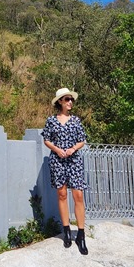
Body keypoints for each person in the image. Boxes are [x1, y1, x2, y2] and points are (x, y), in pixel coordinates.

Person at [42, 87, 89, 255]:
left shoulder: (76, 120)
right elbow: (46, 139)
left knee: (78, 195)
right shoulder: (51, 121)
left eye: (71, 99)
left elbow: (82, 140)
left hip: (74, 160)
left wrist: (73, 148)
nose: (70, 102)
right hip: (57, 160)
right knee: (62, 194)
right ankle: (67, 231)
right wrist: (57, 150)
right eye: (67, 99)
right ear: (60, 101)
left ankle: (81, 235)